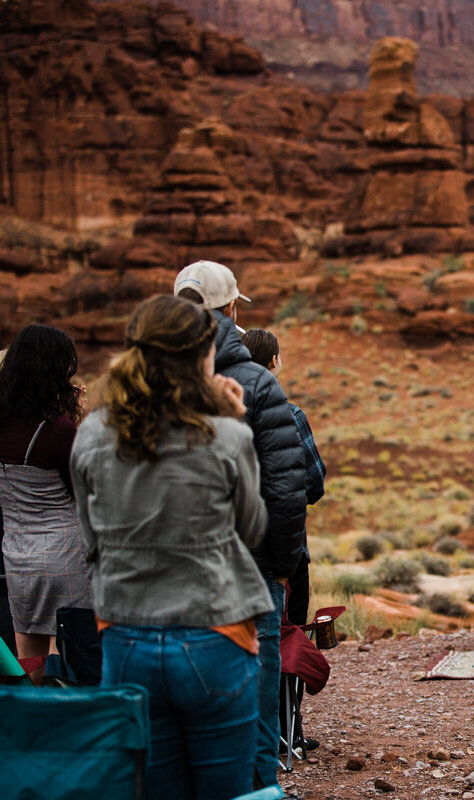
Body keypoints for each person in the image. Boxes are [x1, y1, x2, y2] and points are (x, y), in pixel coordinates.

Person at [70, 295, 274, 798]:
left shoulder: (92, 433)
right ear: (200, 356)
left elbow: (90, 535)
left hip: (126, 636)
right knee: (226, 789)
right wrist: (230, 414)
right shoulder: (227, 434)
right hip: (214, 631)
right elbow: (252, 529)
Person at [175, 260, 306, 790]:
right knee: (253, 695)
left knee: (187, 702)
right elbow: (285, 488)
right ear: (232, 310)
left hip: (169, 572)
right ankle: (256, 787)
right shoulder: (256, 383)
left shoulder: (150, 386)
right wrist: (281, 565)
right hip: (248, 571)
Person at [0, 325, 91, 670]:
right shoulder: (57, 430)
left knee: (27, 654)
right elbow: (83, 491)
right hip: (65, 558)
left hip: (17, 555)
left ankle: (28, 718)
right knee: (64, 651)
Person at [242, 328, 327, 628]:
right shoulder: (291, 415)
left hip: (234, 549)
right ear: (274, 361)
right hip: (286, 549)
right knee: (288, 641)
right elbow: (315, 485)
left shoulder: (221, 412)